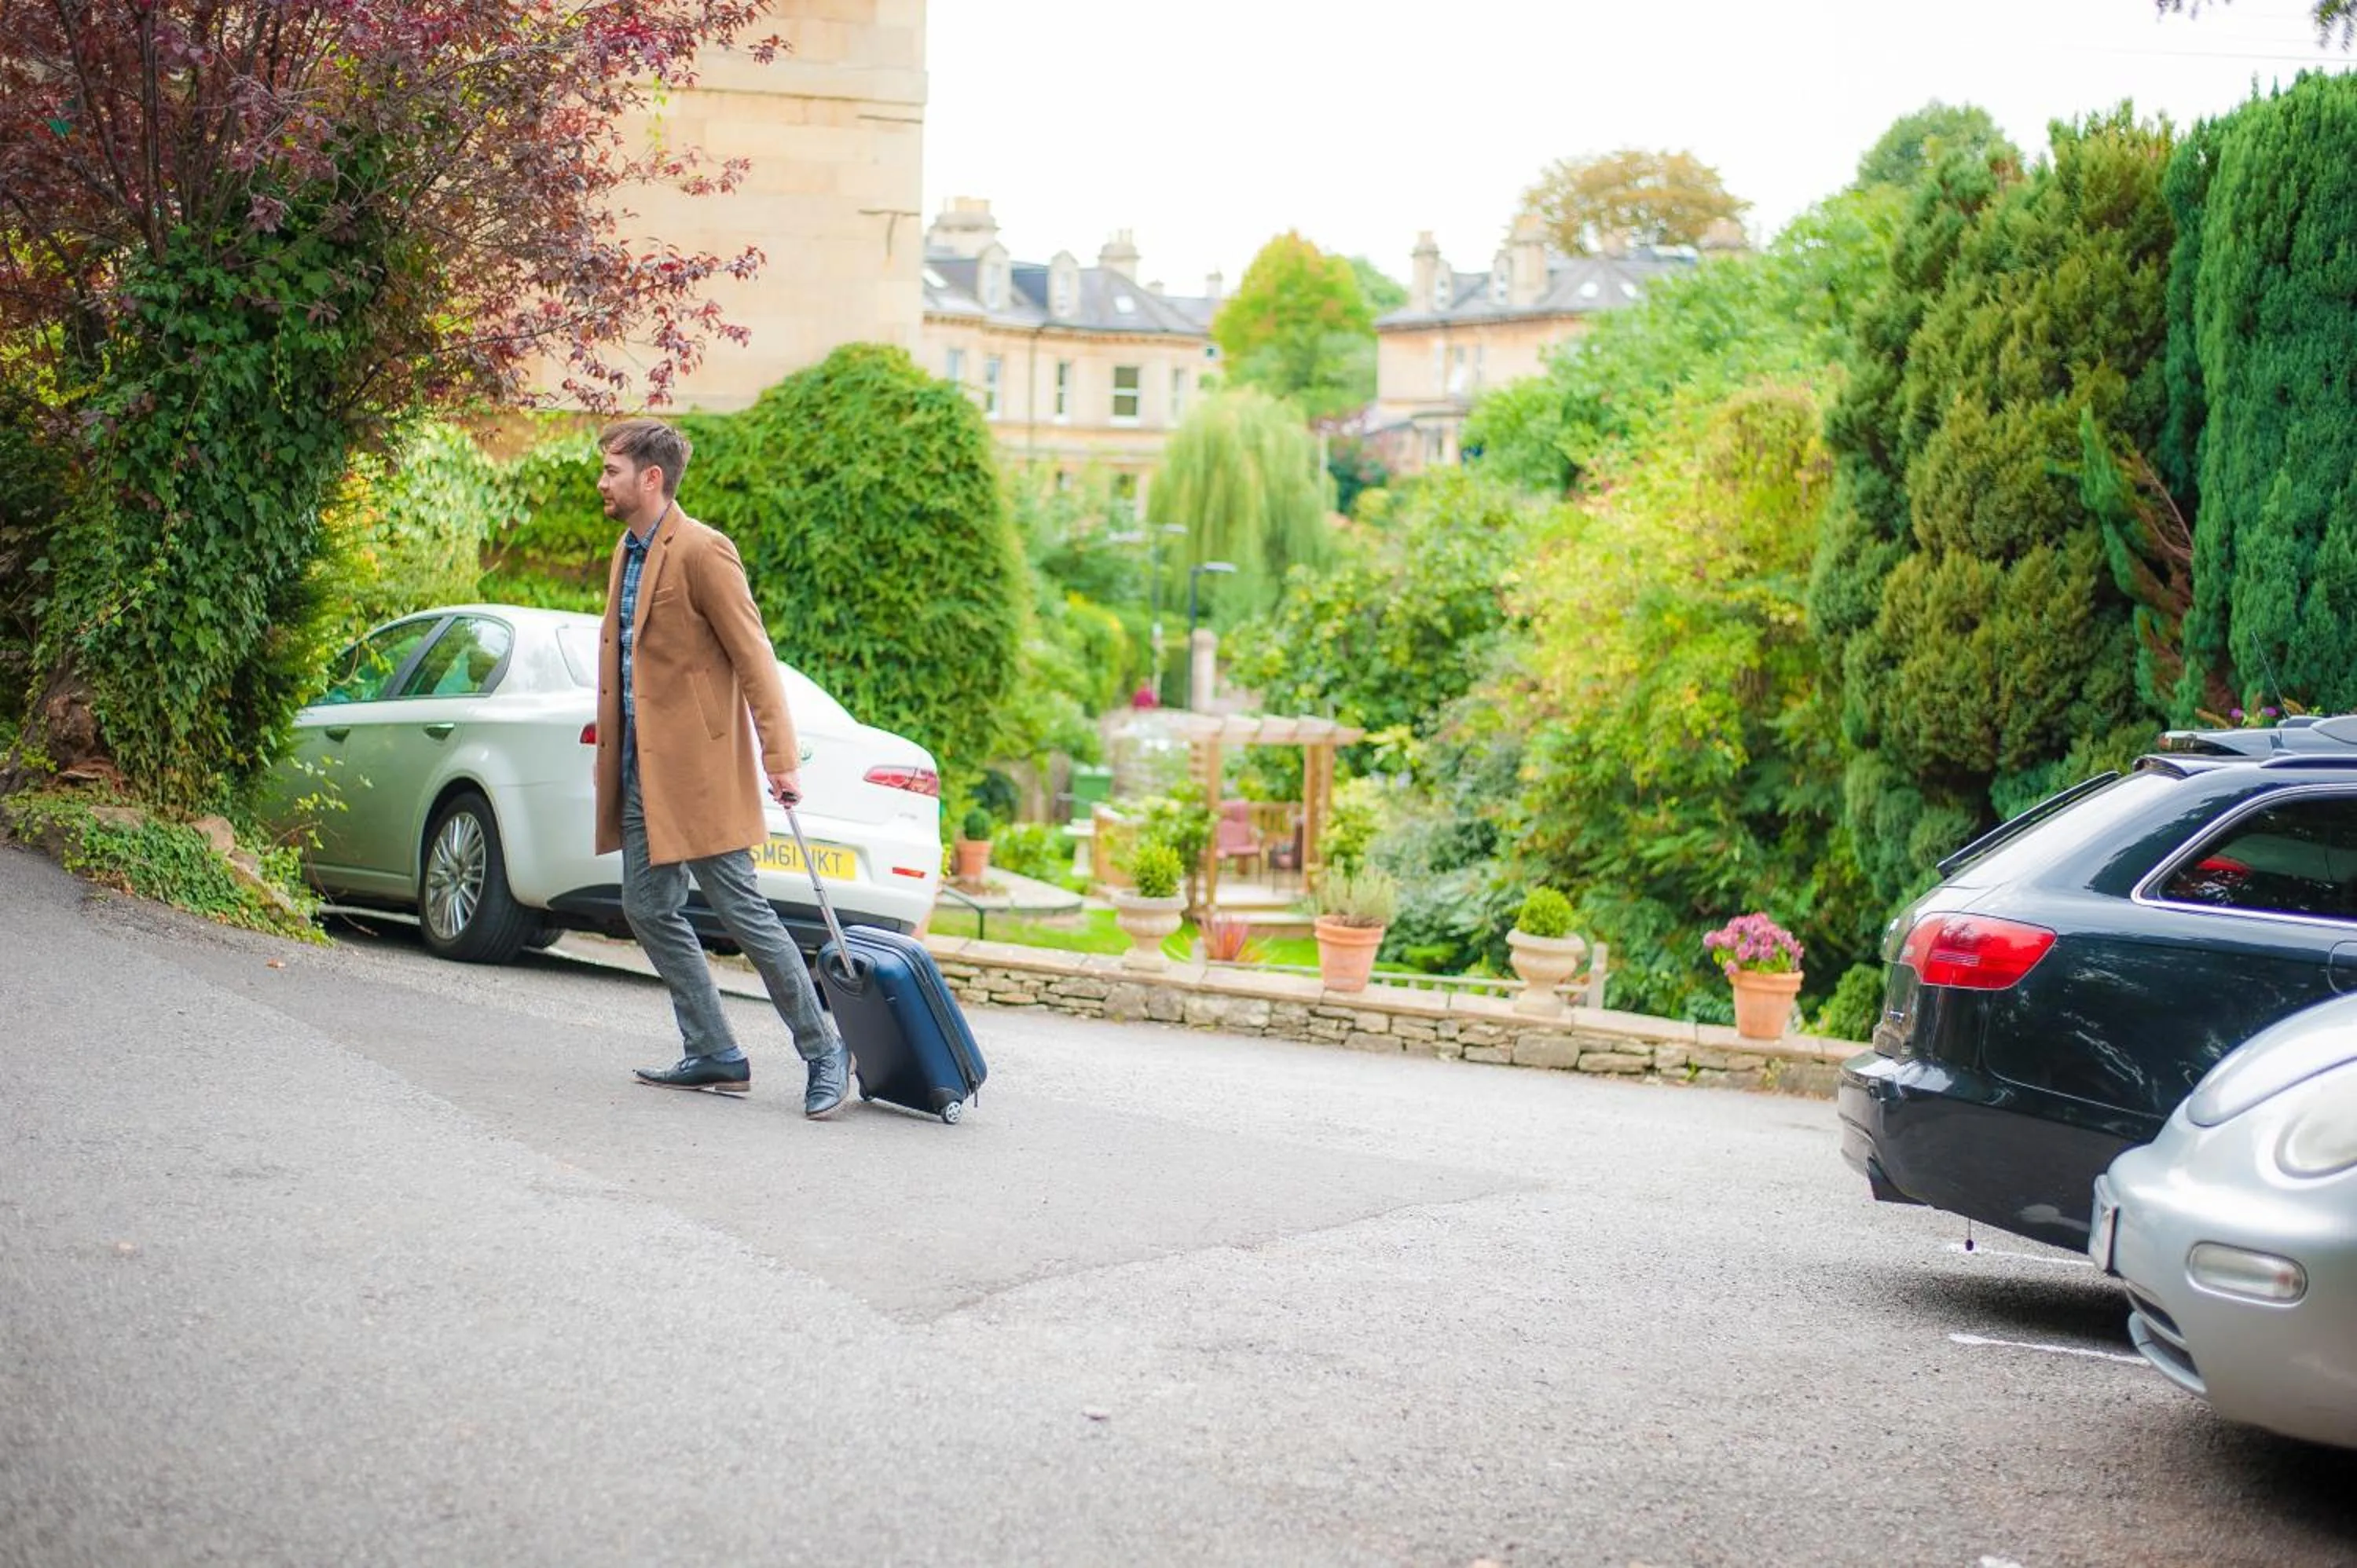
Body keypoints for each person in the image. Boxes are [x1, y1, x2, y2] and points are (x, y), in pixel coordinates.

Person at [588, 417, 852, 1116]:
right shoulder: (628, 549)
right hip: (641, 769)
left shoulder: (704, 551)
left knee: (742, 911)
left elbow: (754, 655)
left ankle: (825, 1049)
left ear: (651, 478)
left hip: (700, 772)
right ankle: (714, 1050)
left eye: (612, 471)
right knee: (647, 907)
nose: (602, 483)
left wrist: (780, 757)